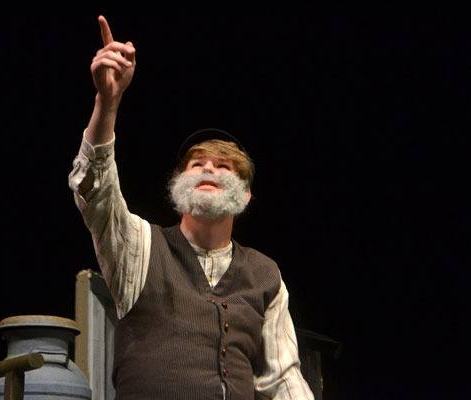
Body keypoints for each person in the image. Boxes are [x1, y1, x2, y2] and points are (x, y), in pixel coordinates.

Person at [68, 15, 315, 400]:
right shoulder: (142, 247)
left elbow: (283, 379)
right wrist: (108, 104)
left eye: (224, 165)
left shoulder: (266, 275)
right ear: (178, 185)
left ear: (245, 195)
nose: (209, 168)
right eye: (197, 164)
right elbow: (96, 189)